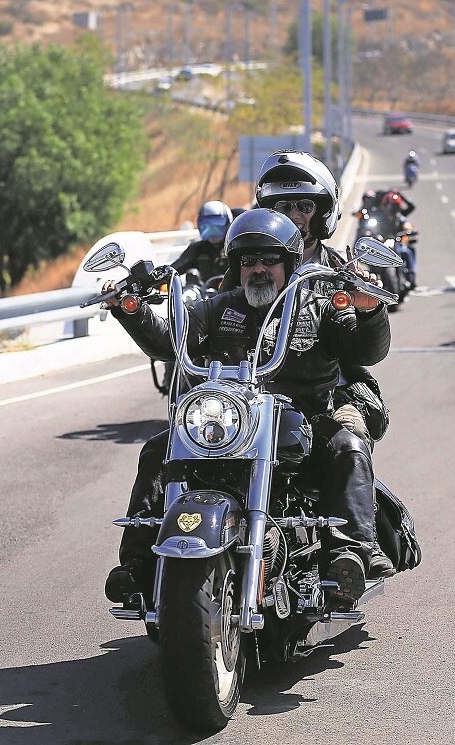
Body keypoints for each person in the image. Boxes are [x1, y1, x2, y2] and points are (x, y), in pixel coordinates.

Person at [104, 209, 392, 609]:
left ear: (289, 263)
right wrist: (132, 311)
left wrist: (369, 310)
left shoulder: (320, 305)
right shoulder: (218, 308)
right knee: (158, 448)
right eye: (248, 261)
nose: (258, 269)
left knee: (349, 447)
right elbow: (172, 340)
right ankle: (136, 564)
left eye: (269, 260)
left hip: (302, 423)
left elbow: (366, 351)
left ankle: (352, 554)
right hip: (231, 423)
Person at [253, 149, 397, 578]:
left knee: (349, 437)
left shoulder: (338, 271)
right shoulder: (250, 264)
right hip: (256, 395)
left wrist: (368, 310)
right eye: (282, 205)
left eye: (304, 205)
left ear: (323, 213)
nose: (294, 215)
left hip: (326, 393)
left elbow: (363, 351)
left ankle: (356, 546)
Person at [170, 200, 233, 279]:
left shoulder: (234, 248)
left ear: (229, 224)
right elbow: (175, 268)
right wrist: (163, 274)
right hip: (203, 286)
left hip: (233, 287)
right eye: (206, 226)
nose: (212, 230)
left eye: (218, 224)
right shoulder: (197, 248)